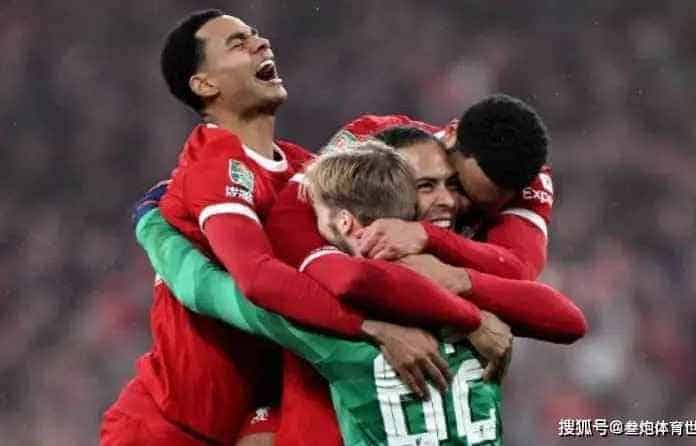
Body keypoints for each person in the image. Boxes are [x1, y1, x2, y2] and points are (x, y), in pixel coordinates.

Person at [102, 10, 496, 446]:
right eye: (237, 43)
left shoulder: (299, 168)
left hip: (257, 413)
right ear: (205, 84)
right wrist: (370, 328)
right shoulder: (215, 165)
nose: (260, 43)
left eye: (256, 35)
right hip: (170, 426)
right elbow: (257, 278)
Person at [133, 142, 584, 445]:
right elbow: (568, 320)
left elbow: (205, 288)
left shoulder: (333, 331)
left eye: (319, 218)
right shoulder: (468, 296)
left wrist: (150, 221)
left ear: (345, 222)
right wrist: (474, 314)